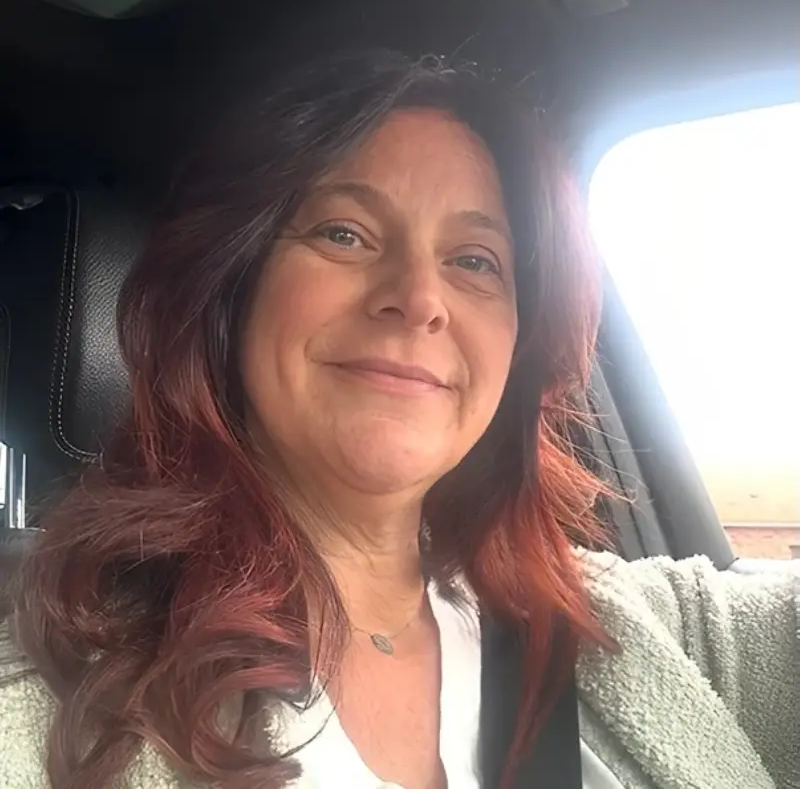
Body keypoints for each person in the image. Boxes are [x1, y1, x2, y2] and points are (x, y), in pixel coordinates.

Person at [0, 50, 798, 789]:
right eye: (344, 233)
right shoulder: (53, 700)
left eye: (474, 261)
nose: (418, 300)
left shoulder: (636, 632)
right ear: (228, 295)